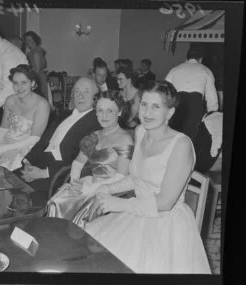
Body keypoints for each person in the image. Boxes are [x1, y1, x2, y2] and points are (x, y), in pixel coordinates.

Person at [83, 80, 211, 274]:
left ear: (169, 113)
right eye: (143, 104)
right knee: (92, 242)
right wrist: (108, 189)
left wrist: (119, 204)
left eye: (156, 106)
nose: (147, 113)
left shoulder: (181, 145)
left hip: (164, 221)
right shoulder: (141, 131)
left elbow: (165, 202)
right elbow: (137, 177)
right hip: (137, 210)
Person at [47, 90, 134, 228]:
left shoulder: (125, 139)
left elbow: (121, 176)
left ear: (119, 112)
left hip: (109, 191)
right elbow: (78, 162)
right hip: (88, 184)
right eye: (100, 110)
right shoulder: (94, 135)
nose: (104, 115)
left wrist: (89, 188)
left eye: (110, 111)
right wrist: (75, 183)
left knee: (68, 207)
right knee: (56, 201)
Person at [13, 77, 102, 206]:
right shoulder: (63, 115)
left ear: (95, 97)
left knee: (17, 196)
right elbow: (43, 141)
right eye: (77, 91)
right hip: (37, 163)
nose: (80, 96)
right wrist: (28, 161)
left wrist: (42, 173)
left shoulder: (96, 122)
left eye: (86, 92)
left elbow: (79, 160)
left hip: (57, 175)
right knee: (4, 181)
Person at [0, 64, 50, 171]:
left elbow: (34, 138)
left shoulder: (42, 105)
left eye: (24, 83)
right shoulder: (10, 100)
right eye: (15, 83)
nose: (19, 88)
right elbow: (3, 128)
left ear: (32, 83)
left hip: (25, 146)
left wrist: (3, 148)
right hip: (6, 139)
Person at [165, 46, 219, 142]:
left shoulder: (174, 70)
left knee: (173, 139)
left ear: (186, 59)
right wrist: (212, 114)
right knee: (189, 140)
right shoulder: (206, 70)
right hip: (195, 107)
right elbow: (212, 100)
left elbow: (165, 92)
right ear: (201, 59)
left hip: (177, 106)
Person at [24, 31, 54, 109]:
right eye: (26, 40)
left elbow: (36, 69)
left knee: (39, 101)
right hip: (41, 77)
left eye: (29, 40)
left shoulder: (35, 52)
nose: (27, 42)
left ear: (35, 40)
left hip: (38, 79)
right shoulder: (38, 51)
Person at [116, 66, 140, 132]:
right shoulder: (119, 94)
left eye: (120, 79)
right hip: (119, 127)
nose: (118, 82)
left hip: (131, 129)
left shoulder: (137, 96)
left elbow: (131, 118)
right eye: (117, 79)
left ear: (129, 80)